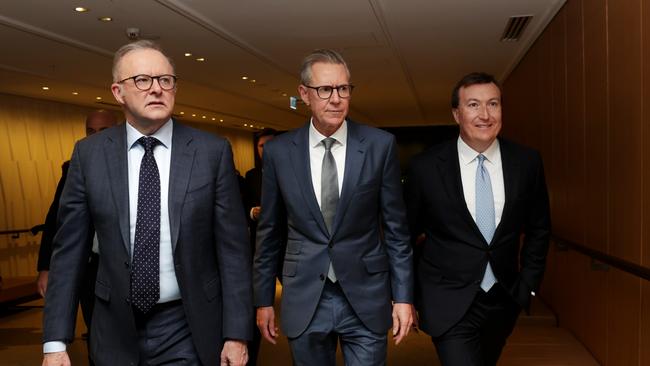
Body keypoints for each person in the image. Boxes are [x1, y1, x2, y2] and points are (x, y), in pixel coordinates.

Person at [42, 40, 252, 366]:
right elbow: (68, 252)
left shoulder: (211, 153)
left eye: (165, 80)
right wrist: (54, 342)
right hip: (113, 326)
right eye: (142, 80)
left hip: (188, 324)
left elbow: (234, 251)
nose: (156, 89)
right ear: (117, 91)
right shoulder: (90, 156)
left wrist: (237, 333)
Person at [253, 49, 414, 366]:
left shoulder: (379, 146)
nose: (336, 98)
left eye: (344, 89)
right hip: (305, 296)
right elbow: (269, 231)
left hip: (366, 294)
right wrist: (262, 300)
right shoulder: (280, 152)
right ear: (304, 94)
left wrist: (404, 296)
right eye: (325, 90)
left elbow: (397, 230)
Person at [405, 72, 551, 366]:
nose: (485, 114)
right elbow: (404, 236)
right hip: (446, 298)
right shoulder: (426, 168)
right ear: (457, 114)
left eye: (493, 104)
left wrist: (528, 285)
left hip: (504, 298)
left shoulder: (527, 162)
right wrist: (405, 297)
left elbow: (539, 228)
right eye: (473, 105)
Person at [36, 109, 117, 365]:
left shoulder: (136, 163)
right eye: (90, 131)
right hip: (91, 268)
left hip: (125, 268)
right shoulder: (75, 167)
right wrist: (46, 267)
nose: (95, 137)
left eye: (103, 131)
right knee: (97, 334)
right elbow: (56, 220)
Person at [243, 128, 276, 366]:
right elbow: (243, 207)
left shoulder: (293, 170)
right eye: (262, 146)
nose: (266, 150)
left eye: (270, 145)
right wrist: (253, 212)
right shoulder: (251, 175)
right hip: (259, 243)